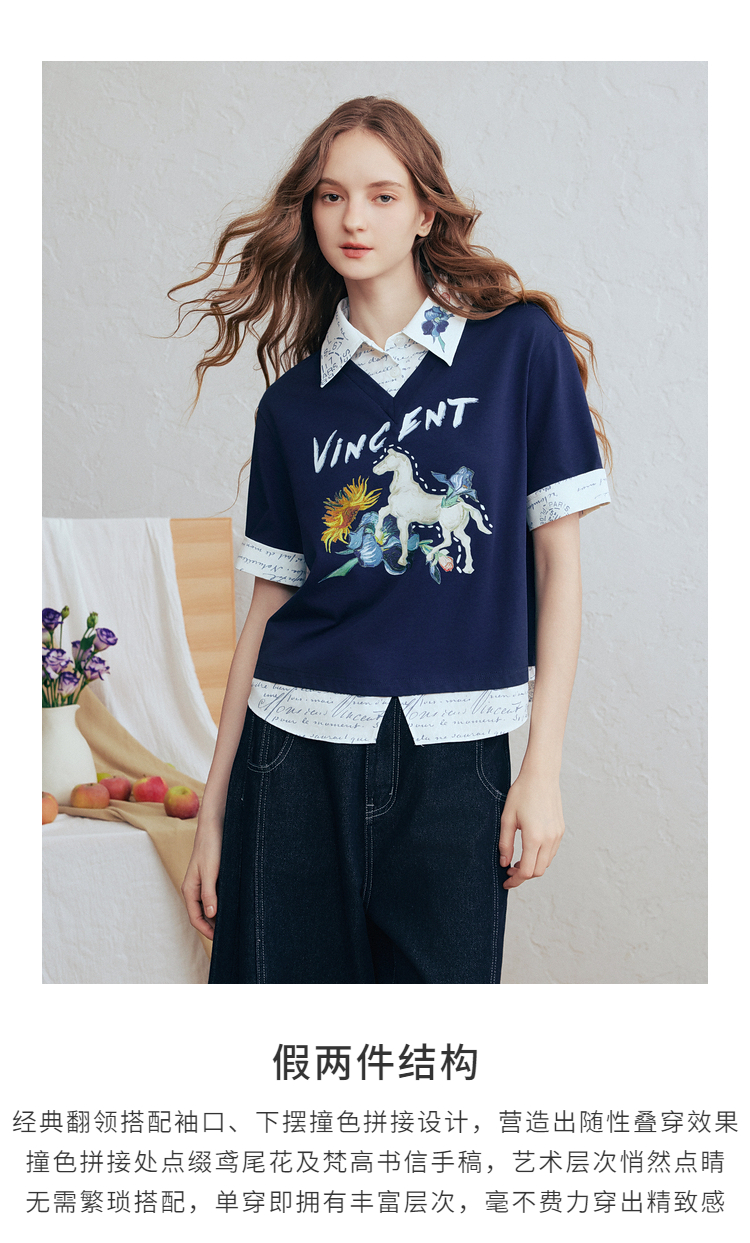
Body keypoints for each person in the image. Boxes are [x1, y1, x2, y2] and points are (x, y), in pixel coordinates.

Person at [172, 96, 612, 984]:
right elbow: (267, 608)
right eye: (331, 196)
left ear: (424, 214)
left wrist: (543, 767)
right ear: (310, 212)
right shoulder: (292, 406)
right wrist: (212, 811)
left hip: (458, 759)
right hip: (291, 753)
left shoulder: (517, 349)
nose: (353, 219)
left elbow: (558, 566)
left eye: (382, 195)